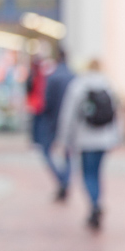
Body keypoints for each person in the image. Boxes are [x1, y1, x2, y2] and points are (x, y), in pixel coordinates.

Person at [53, 59, 123, 230]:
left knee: (87, 174)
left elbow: (68, 115)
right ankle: (97, 201)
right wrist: (117, 138)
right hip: (104, 139)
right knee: (97, 173)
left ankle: (94, 204)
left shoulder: (78, 85)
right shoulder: (109, 85)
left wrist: (63, 139)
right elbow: (116, 115)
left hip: (84, 139)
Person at [33, 48, 74, 201]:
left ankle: (62, 180)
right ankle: (65, 180)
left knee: (46, 151)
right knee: (68, 154)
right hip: (68, 122)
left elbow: (47, 101)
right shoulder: (73, 76)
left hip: (52, 120)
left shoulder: (53, 77)